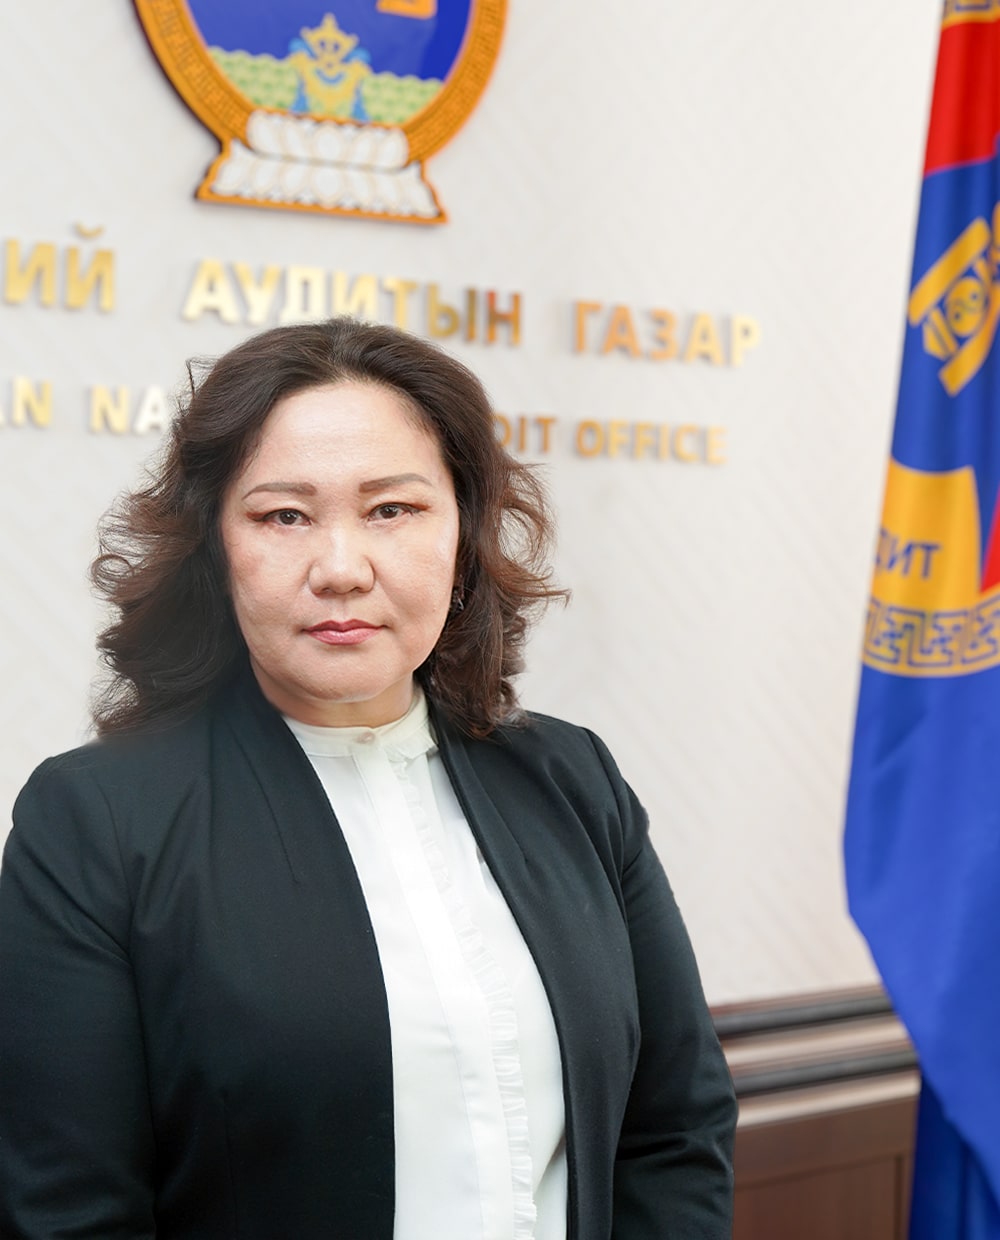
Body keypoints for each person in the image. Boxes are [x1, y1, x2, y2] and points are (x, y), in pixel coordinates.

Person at [0, 318, 736, 1239]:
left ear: (463, 533)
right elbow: (69, 1210)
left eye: (392, 510)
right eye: (284, 516)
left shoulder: (571, 780)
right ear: (214, 548)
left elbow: (675, 1126)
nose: (342, 570)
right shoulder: (97, 821)